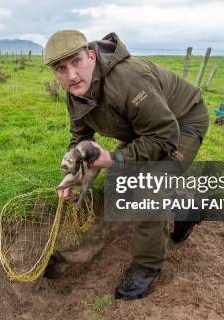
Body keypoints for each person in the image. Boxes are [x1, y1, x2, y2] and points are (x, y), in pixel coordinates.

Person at [44, 30, 209, 300]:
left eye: (76, 62)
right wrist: (75, 173)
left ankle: (148, 266)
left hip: (182, 123)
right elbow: (81, 139)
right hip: (143, 129)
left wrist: (116, 158)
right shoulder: (76, 93)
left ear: (91, 56)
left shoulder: (128, 80)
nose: (71, 75)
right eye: (60, 69)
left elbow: (165, 135)